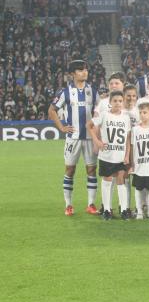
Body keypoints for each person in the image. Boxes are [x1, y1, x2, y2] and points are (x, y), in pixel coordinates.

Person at [48, 59, 99, 216]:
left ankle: (91, 204)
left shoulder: (94, 91)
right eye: (80, 70)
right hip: (73, 138)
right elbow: (52, 110)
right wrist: (62, 127)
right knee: (70, 170)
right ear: (72, 74)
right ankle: (68, 205)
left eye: (85, 69)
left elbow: (100, 112)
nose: (84, 72)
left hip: (90, 138)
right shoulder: (65, 92)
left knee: (91, 170)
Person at [89, 91, 132, 220]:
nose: (118, 103)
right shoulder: (104, 115)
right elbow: (89, 125)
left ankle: (124, 209)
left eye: (120, 101)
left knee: (121, 181)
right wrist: (97, 141)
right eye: (115, 101)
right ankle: (106, 210)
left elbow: (128, 138)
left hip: (120, 156)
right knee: (107, 181)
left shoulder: (126, 117)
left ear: (123, 102)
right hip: (106, 155)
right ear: (110, 102)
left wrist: (127, 155)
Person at [129, 102, 149, 219]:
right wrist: (132, 163)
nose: (142, 115)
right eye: (140, 112)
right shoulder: (135, 129)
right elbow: (132, 146)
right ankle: (140, 211)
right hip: (139, 165)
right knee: (139, 188)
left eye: (145, 112)